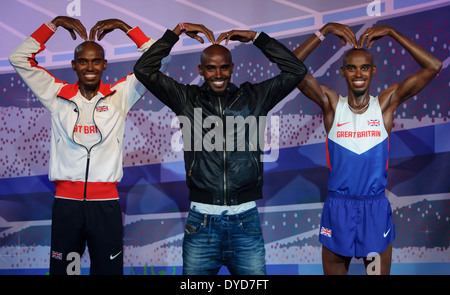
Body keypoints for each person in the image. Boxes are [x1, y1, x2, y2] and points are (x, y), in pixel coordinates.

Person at [134, 23, 307, 274]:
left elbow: (296, 69)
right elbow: (143, 68)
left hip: (245, 222)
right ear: (201, 70)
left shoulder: (255, 97)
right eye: (211, 68)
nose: (218, 74)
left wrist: (257, 38)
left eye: (224, 67)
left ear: (232, 68)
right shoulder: (186, 99)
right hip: (201, 225)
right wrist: (177, 31)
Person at [8, 16, 155, 275]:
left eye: (96, 61)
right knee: (65, 273)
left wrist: (126, 29)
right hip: (67, 205)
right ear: (74, 65)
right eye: (83, 61)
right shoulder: (56, 95)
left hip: (105, 204)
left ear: (105, 65)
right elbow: (18, 58)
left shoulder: (120, 95)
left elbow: (158, 61)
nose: (90, 67)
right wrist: (53, 25)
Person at [293, 23, 442, 275]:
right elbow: (290, 69)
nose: (358, 73)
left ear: (373, 71)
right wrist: (324, 31)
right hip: (338, 208)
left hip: (374, 209)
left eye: (364, 68)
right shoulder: (331, 104)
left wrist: (394, 33)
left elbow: (433, 66)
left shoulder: (384, 105)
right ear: (342, 72)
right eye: (351, 68)